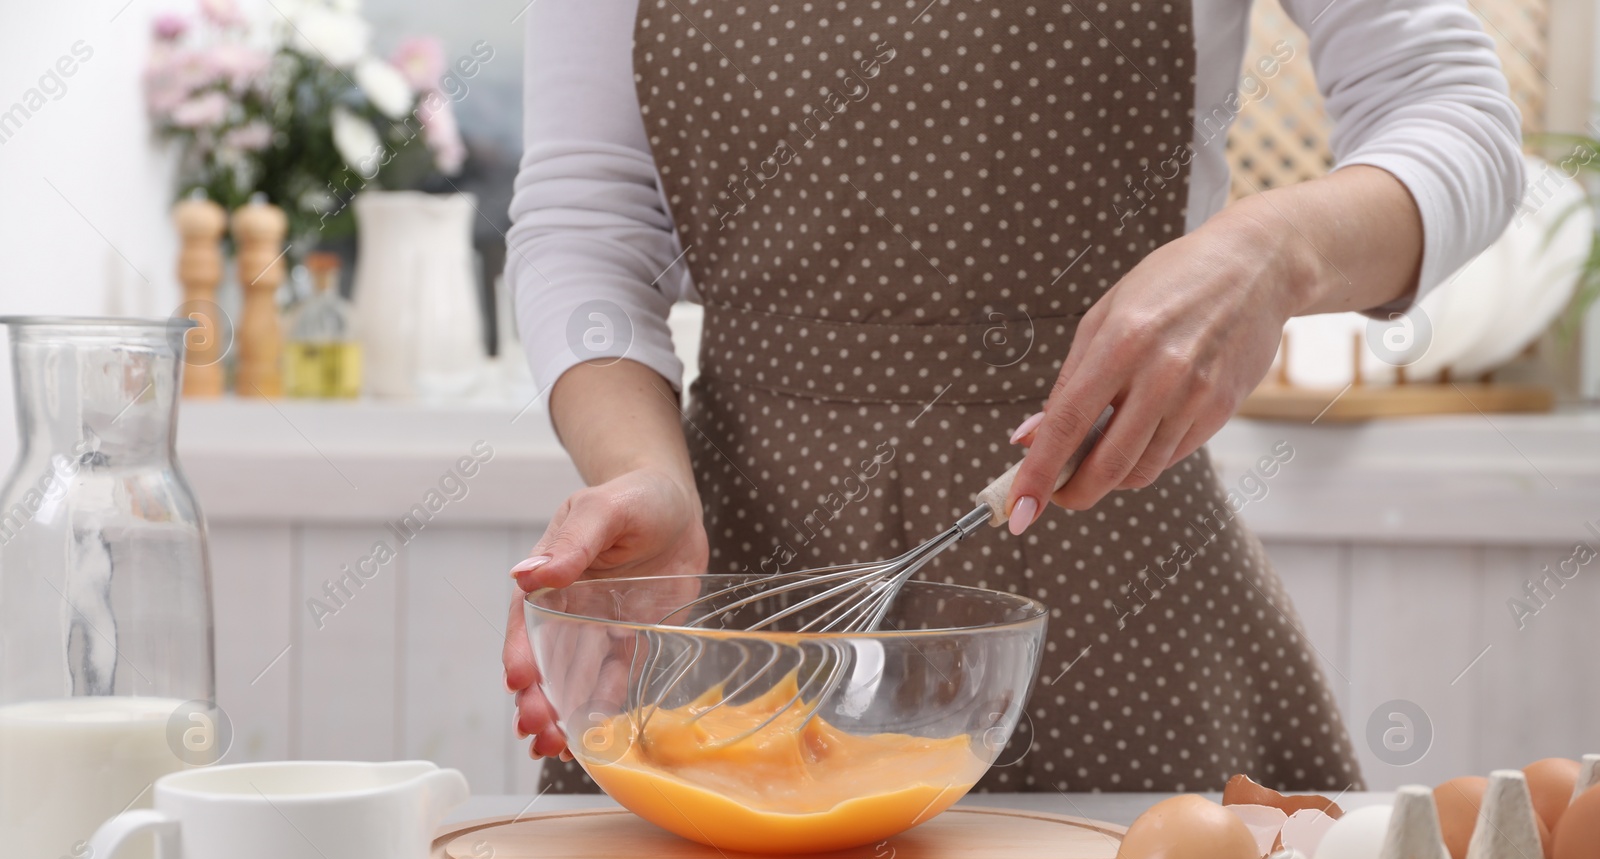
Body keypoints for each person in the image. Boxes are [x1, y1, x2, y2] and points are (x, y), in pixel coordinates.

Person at [501, 0, 1523, 794]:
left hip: (1126, 606)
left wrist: (1274, 252)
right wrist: (638, 470)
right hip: (726, 603)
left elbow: (1454, 109)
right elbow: (586, 217)